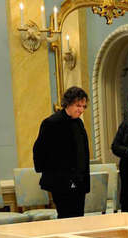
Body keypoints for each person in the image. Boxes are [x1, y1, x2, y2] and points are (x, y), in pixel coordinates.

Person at [33, 86, 90, 218]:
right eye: (78, 105)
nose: (81, 110)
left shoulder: (79, 123)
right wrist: (54, 172)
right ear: (68, 103)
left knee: (78, 218)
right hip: (61, 181)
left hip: (79, 181)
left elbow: (82, 153)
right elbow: (39, 150)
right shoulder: (51, 123)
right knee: (66, 217)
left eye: (83, 106)